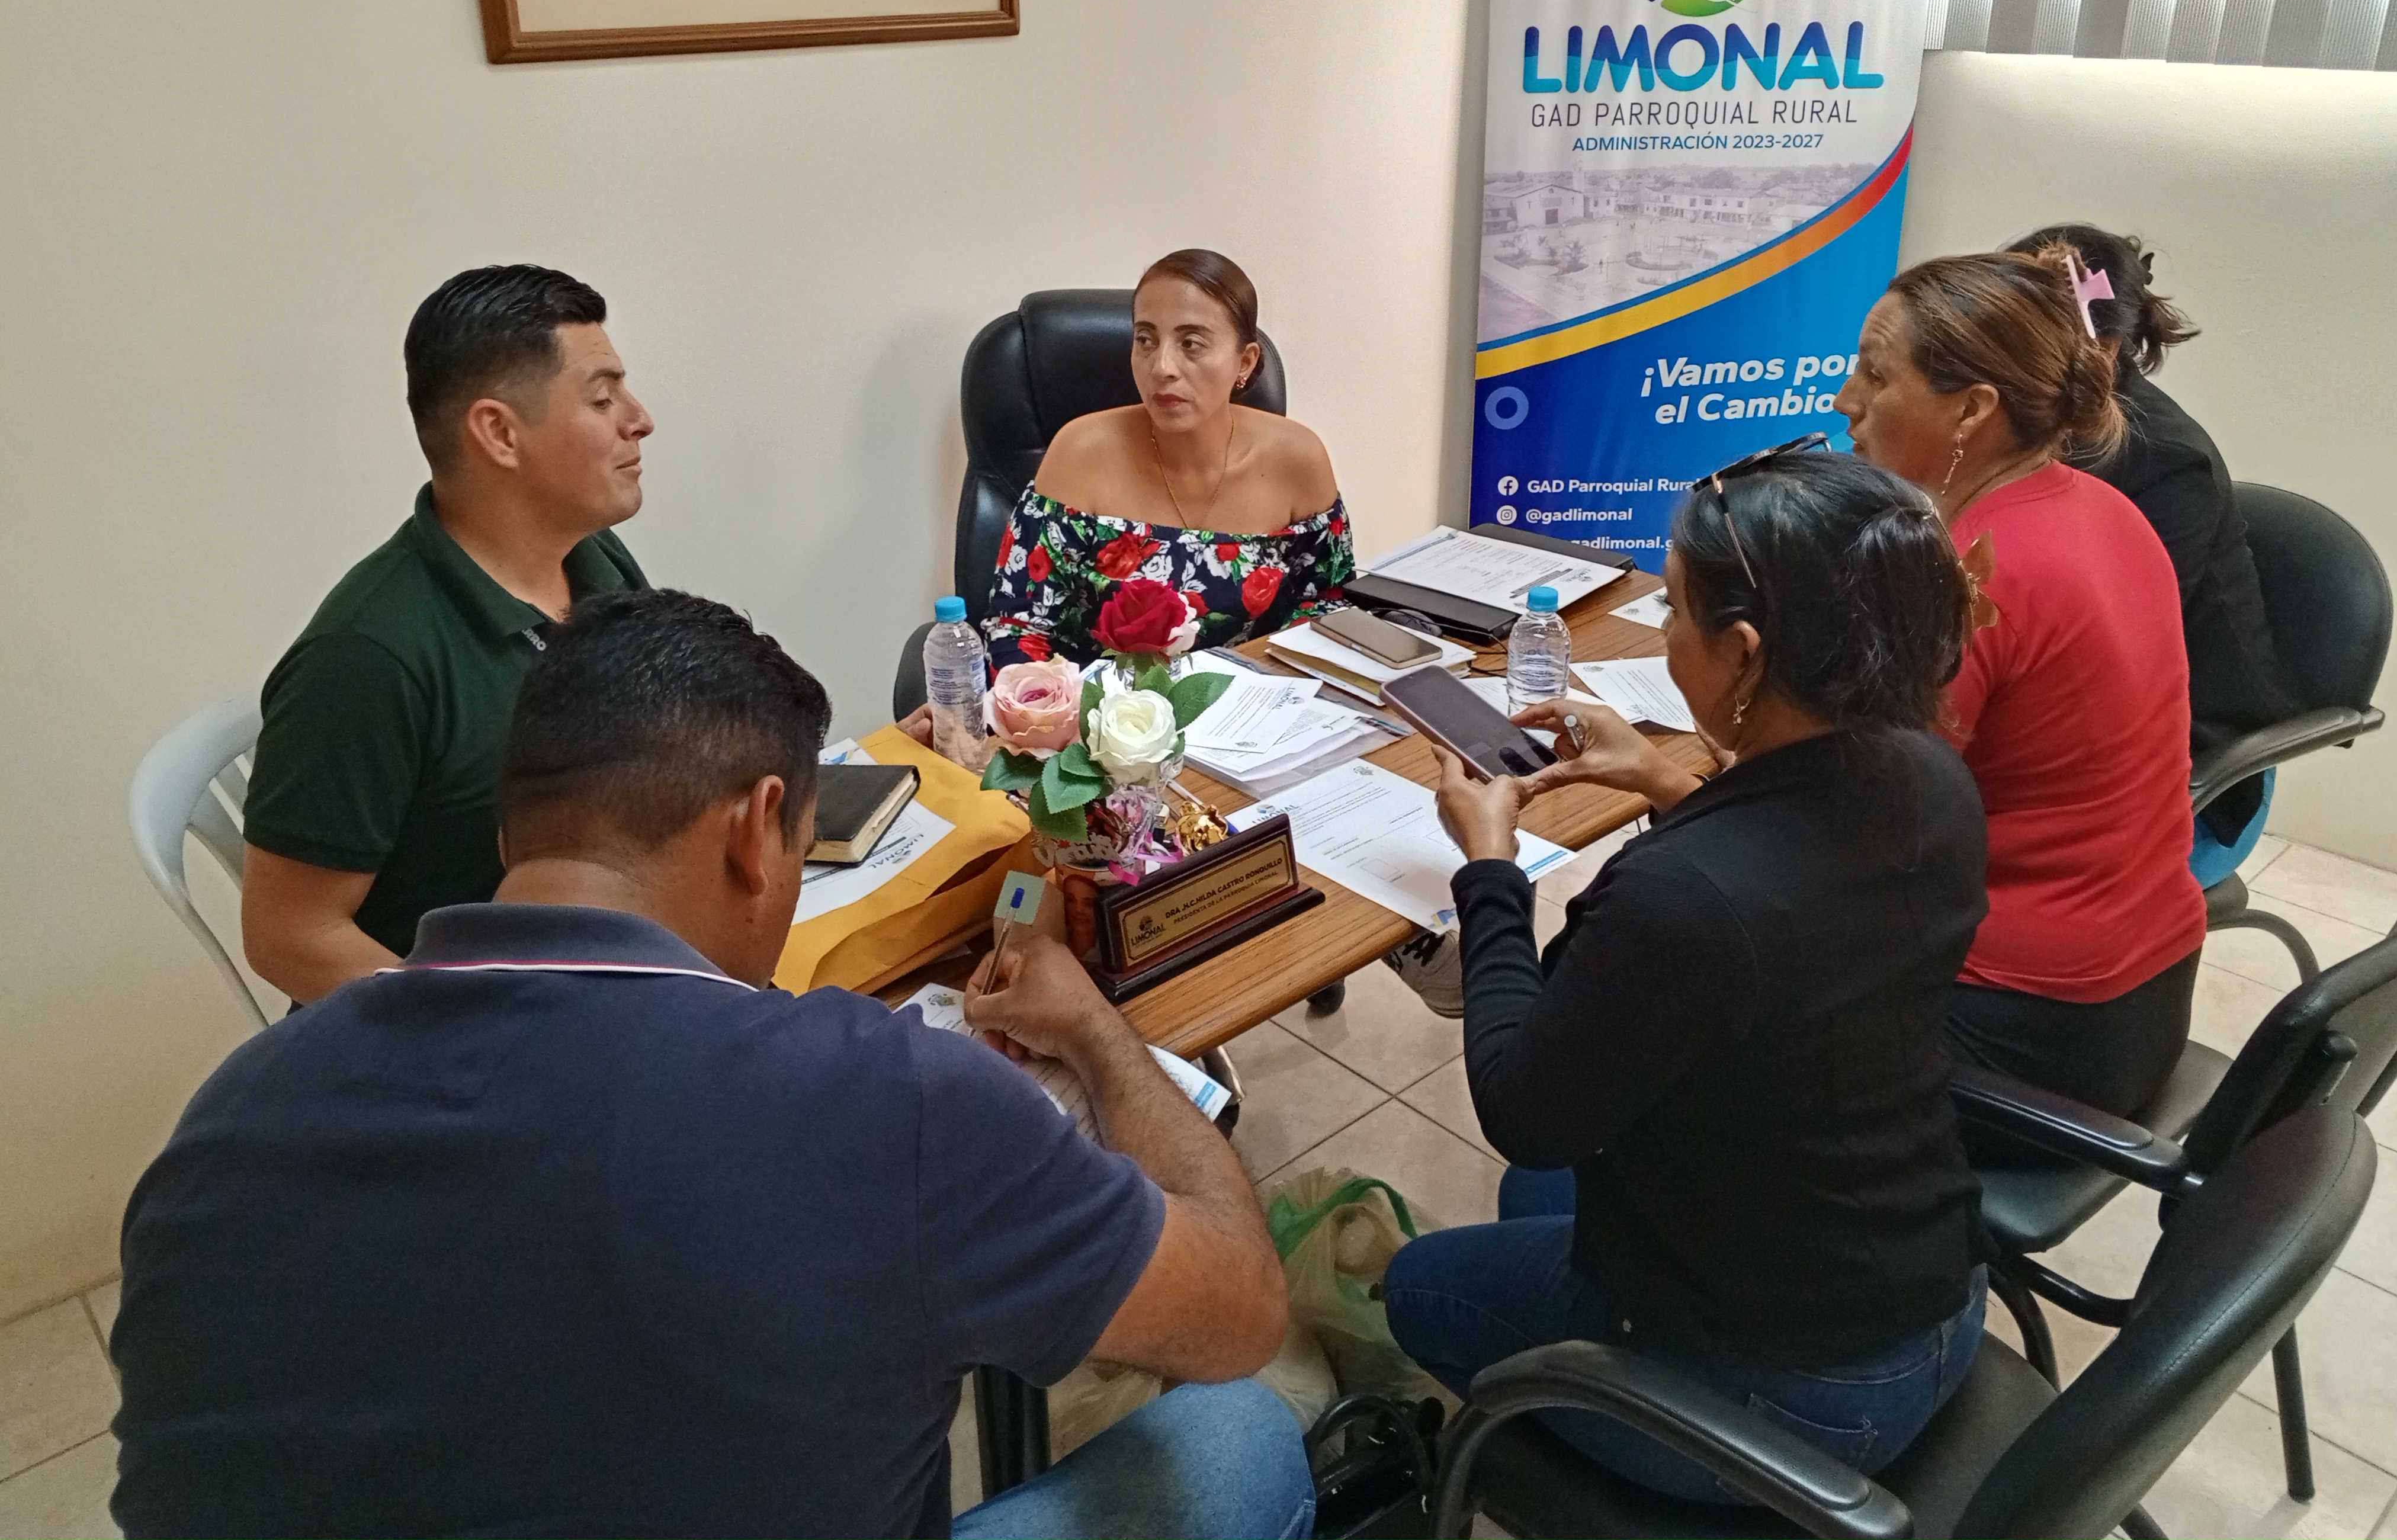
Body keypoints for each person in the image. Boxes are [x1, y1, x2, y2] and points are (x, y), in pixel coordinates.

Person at [114, 591, 1309, 1540]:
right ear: (754, 827)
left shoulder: (230, 1117)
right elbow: (1239, 1310)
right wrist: (1095, 1030)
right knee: (1238, 1439)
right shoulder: (886, 1098)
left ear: (509, 831)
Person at [1387, 448, 1990, 1500]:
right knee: (1541, 1196)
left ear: (1743, 653)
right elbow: (1785, 889)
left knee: (1418, 1285)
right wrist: (1664, 776)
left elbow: (1521, 1107)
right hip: (1927, 1289)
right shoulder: (1929, 776)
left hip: (1798, 1399)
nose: (1663, 631)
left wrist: (1489, 869)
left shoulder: (1682, 901)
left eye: (1672, 608)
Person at [1835, 246, 2206, 1127]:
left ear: (1972, 408)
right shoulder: (2104, 509)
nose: (1846, 400)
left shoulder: (1972, 576)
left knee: (1681, 1013)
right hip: (2143, 995)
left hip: (2023, 1037)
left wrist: (1681, 775)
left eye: (1875, 376)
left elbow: (1853, 832)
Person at [239, 265, 653, 1005]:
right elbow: (289, 936)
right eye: (602, 399)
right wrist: (480, 1029)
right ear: (499, 433)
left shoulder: (594, 560)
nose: (639, 419)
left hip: (609, 955)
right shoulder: (367, 658)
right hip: (476, 1026)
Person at [2003, 223, 2302, 877]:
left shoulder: (2163, 461)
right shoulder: (2016, 423)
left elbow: (2111, 654)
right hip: (2054, 728)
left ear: (2104, 346)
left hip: (2193, 771)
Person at [983, 249, 1352, 669]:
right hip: (1095, 705)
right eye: (1146, 340)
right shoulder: (1079, 453)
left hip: (1252, 701)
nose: (1162, 367)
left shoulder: (1298, 460)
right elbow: (1017, 629)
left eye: (1191, 344)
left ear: (1244, 362)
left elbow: (1326, 612)